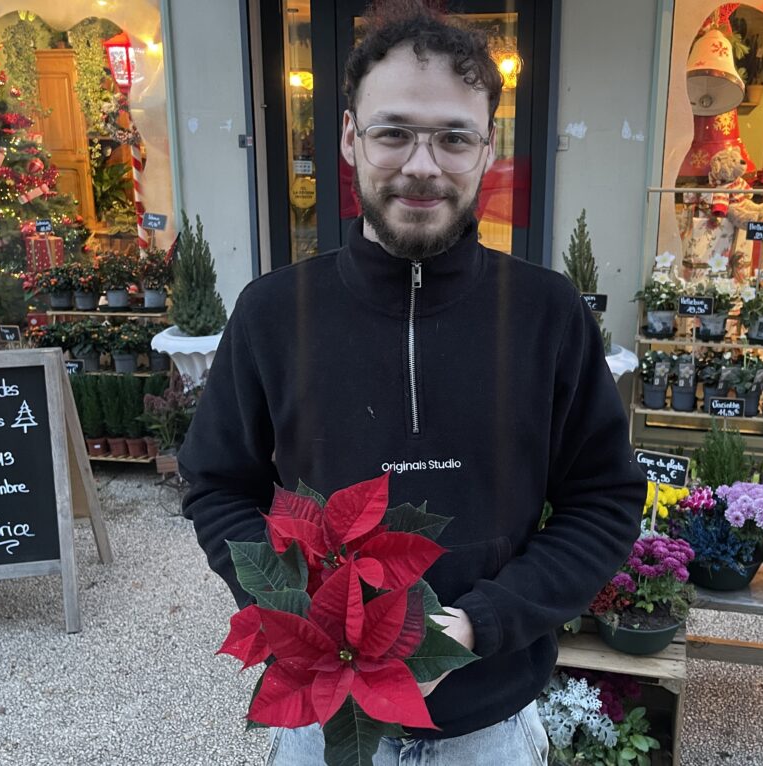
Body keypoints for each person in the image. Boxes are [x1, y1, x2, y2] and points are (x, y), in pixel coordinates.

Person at [180, 2, 644, 763]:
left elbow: (603, 499)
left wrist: (478, 625)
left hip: (489, 731)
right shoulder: (274, 314)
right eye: (393, 132)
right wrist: (305, 612)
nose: (423, 166)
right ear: (349, 137)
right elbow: (218, 486)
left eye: (453, 138)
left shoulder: (545, 313)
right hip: (323, 726)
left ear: (488, 149)